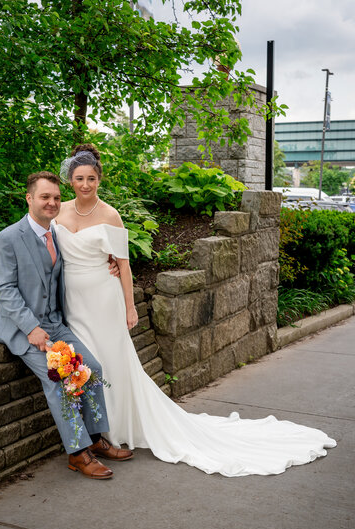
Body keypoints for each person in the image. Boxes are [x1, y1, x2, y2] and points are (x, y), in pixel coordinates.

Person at [53, 143, 337, 477]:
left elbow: (125, 267)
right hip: (72, 301)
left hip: (104, 298)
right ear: (70, 180)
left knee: (112, 361)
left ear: (99, 179)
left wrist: (130, 307)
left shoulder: (110, 215)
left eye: (91, 178)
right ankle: (99, 433)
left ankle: (110, 432)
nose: (85, 184)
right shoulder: (57, 212)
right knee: (88, 363)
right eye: (79, 178)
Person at [0, 171, 133, 481]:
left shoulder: (56, 232)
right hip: (24, 330)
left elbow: (86, 254)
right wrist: (31, 328)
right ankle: (78, 453)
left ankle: (95, 439)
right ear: (29, 198)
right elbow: (5, 290)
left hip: (57, 323)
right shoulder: (8, 238)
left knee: (93, 369)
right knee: (60, 380)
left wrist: (110, 260)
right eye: (45, 197)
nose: (52, 203)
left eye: (56, 197)